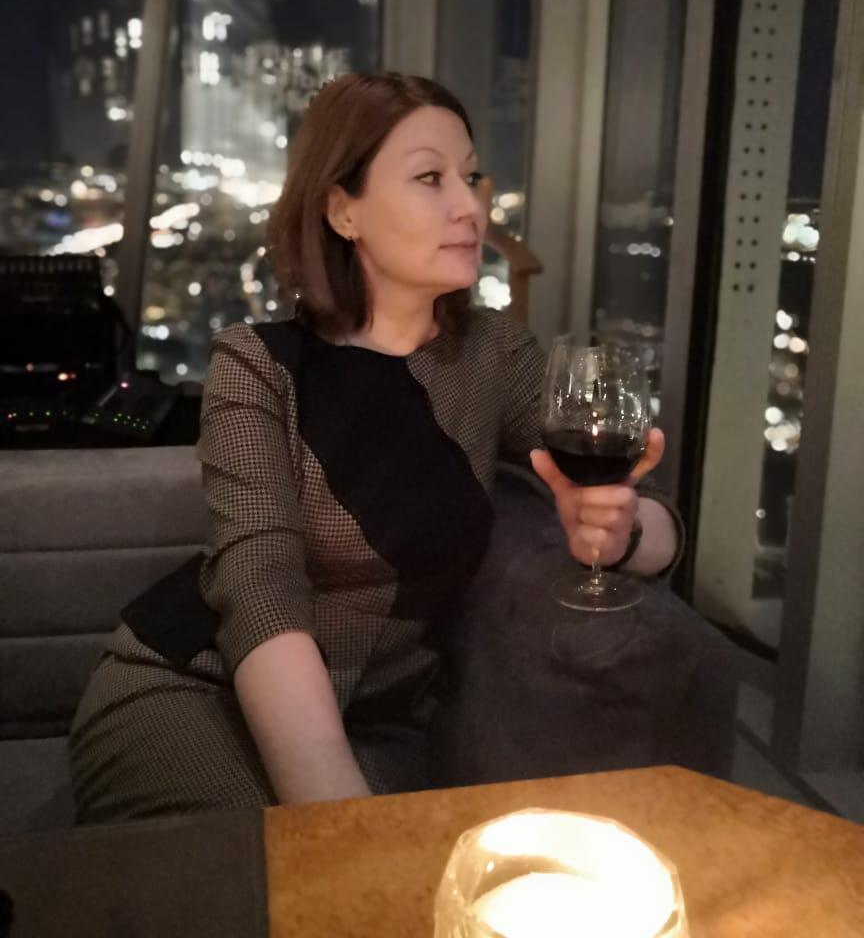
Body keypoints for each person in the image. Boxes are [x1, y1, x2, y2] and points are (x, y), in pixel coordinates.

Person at [69, 73, 681, 822]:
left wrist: (621, 532)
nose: (470, 206)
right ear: (342, 210)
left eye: (470, 176)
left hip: (375, 719)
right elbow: (258, 584)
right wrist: (343, 822)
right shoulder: (259, 364)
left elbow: (654, 518)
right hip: (194, 686)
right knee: (283, 875)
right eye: (430, 177)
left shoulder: (494, 356)